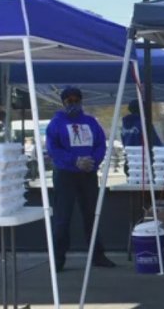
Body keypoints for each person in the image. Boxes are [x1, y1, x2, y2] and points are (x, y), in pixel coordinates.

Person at [46, 86, 115, 270]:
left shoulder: (91, 122)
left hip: (88, 174)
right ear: (63, 102)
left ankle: (98, 255)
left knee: (92, 216)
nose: (73, 104)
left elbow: (101, 144)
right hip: (65, 174)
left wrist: (93, 161)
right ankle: (58, 260)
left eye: (77, 100)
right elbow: (53, 149)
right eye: (69, 101)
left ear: (81, 101)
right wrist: (74, 160)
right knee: (62, 218)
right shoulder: (56, 123)